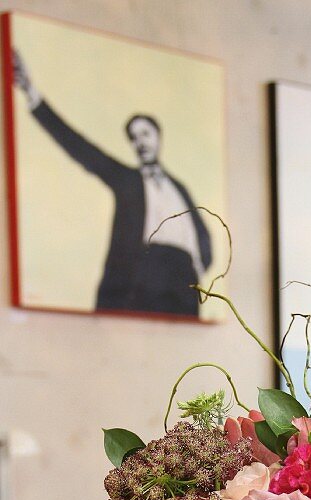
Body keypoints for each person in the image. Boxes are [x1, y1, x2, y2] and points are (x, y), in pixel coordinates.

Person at [12, 49, 212, 316]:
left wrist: (197, 269)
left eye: (145, 133)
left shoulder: (181, 188)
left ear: (158, 137)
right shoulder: (127, 180)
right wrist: (32, 95)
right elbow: (81, 148)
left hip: (184, 287)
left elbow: (203, 235)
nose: (140, 141)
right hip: (144, 280)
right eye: (134, 137)